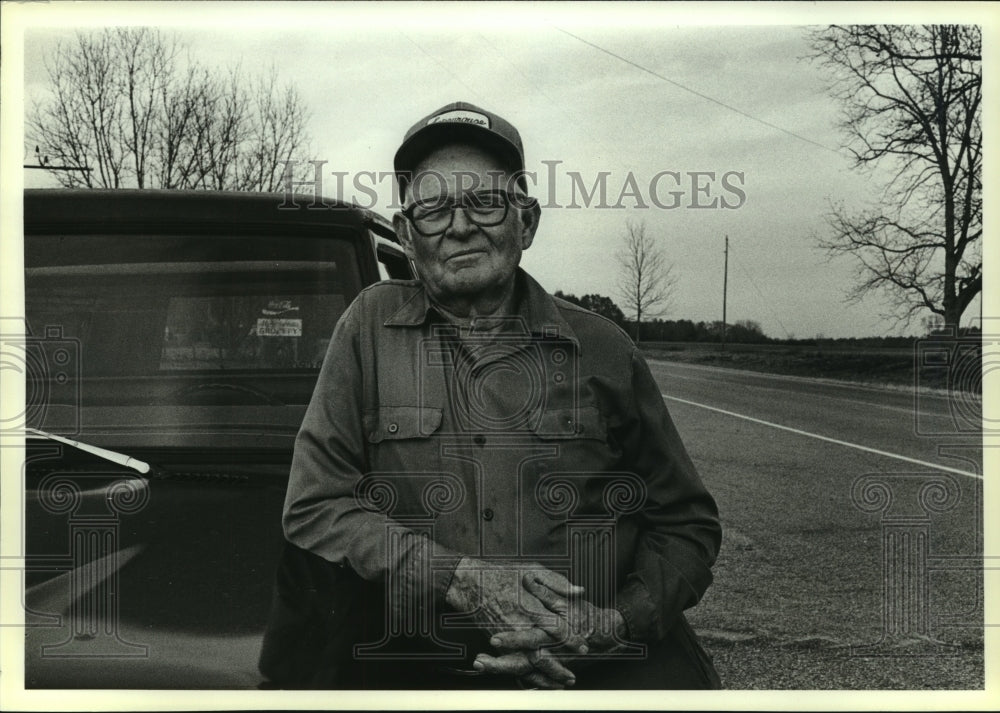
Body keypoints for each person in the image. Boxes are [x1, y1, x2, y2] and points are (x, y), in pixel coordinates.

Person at [260, 101, 722, 690]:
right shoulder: (366, 329)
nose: (458, 226)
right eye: (432, 208)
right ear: (405, 233)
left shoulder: (603, 348)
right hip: (422, 664)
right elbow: (313, 505)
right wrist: (459, 578)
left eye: (484, 201)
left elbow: (687, 523)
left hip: (594, 664)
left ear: (525, 222)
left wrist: (612, 623)